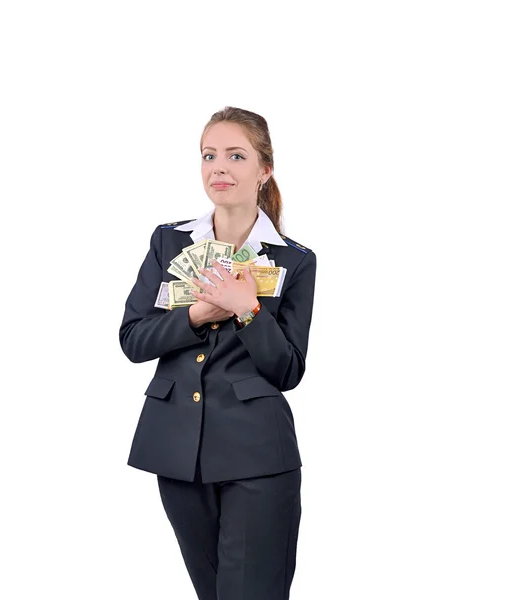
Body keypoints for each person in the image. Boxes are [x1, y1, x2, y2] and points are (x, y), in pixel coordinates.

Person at [119, 106, 317, 600]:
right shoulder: (169, 242)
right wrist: (194, 317)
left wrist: (248, 311)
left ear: (264, 169)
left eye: (235, 155)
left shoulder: (294, 260)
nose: (219, 167)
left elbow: (287, 369)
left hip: (257, 455)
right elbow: (133, 339)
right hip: (175, 451)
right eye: (209, 155)